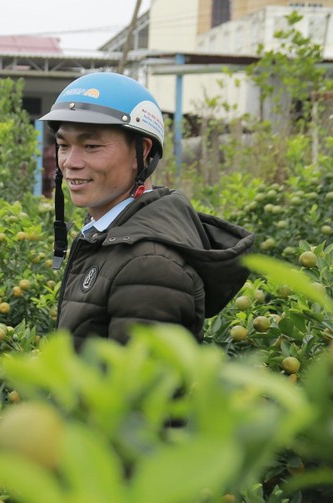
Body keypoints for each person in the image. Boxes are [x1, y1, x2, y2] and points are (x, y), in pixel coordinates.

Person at [39, 72, 254, 348]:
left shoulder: (149, 265)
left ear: (142, 151)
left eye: (91, 146)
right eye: (63, 146)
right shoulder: (108, 235)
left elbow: (140, 388)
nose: (70, 162)